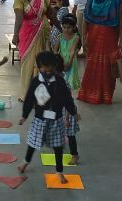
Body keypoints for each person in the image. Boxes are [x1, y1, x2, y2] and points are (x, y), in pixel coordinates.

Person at [18, 50, 79, 183]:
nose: (47, 71)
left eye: (50, 68)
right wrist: (24, 115)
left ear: (54, 66)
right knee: (33, 143)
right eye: (43, 69)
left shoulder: (60, 81)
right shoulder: (35, 81)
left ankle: (59, 172)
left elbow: (67, 99)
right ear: (39, 67)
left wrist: (73, 112)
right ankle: (25, 162)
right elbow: (29, 99)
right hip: (40, 119)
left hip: (56, 120)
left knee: (58, 146)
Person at [78, 0, 122, 105]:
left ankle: (105, 96)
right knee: (92, 63)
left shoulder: (117, 0)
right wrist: (83, 38)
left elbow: (120, 21)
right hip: (93, 35)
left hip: (110, 35)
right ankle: (89, 93)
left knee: (108, 65)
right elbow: (86, 19)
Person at [12, 0, 59, 101]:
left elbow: (50, 13)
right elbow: (19, 18)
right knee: (28, 64)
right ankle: (27, 95)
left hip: (43, 32)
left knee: (43, 64)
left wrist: (61, 28)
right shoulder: (19, 0)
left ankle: (43, 95)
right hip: (27, 34)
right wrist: (16, 35)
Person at [55, 52, 80, 165]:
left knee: (70, 135)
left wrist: (66, 118)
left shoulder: (63, 82)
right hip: (60, 110)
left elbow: (69, 101)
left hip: (67, 112)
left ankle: (75, 155)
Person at [54, 14, 81, 91]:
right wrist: (58, 60)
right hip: (60, 60)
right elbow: (55, 49)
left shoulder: (76, 37)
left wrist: (69, 62)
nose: (66, 29)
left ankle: (68, 97)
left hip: (71, 60)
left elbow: (72, 51)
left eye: (69, 27)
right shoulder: (60, 36)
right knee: (60, 79)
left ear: (74, 27)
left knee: (70, 80)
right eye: (64, 27)